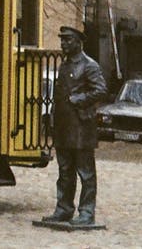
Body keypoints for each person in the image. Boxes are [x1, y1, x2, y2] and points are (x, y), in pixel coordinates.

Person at [41, 26, 107, 227]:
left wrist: (80, 99)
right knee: (65, 170)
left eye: (68, 40)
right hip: (64, 125)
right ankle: (64, 209)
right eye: (62, 40)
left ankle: (87, 212)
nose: (63, 44)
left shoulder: (89, 65)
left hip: (81, 127)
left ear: (79, 42)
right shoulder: (65, 65)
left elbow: (101, 90)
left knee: (86, 173)